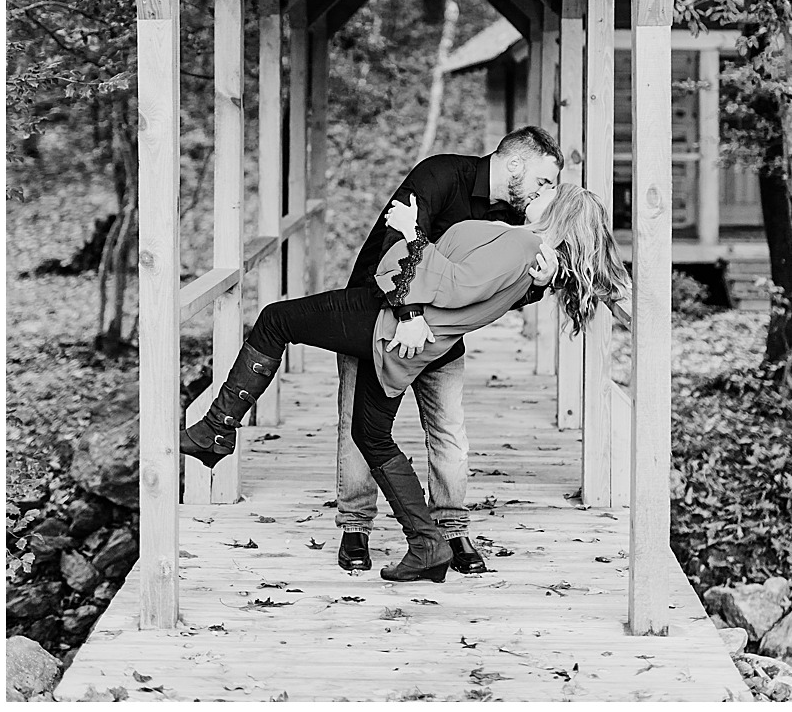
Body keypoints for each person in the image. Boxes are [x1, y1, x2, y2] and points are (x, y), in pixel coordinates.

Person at [180, 182, 628, 583]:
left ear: (562, 210)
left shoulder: (524, 247)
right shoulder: (536, 265)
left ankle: (217, 428)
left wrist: (413, 233)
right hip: (409, 334)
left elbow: (455, 284)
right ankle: (426, 543)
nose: (540, 192)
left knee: (276, 320)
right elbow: (469, 283)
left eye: (551, 191)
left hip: (387, 322)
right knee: (369, 433)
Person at [334, 127, 562, 575]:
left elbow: (497, 289)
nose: (546, 192)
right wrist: (408, 315)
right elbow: (396, 240)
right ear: (515, 163)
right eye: (544, 180)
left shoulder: (515, 221)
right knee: (357, 424)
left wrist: (538, 284)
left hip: (441, 339)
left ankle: (451, 531)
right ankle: (355, 527)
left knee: (449, 432)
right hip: (379, 319)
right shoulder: (440, 174)